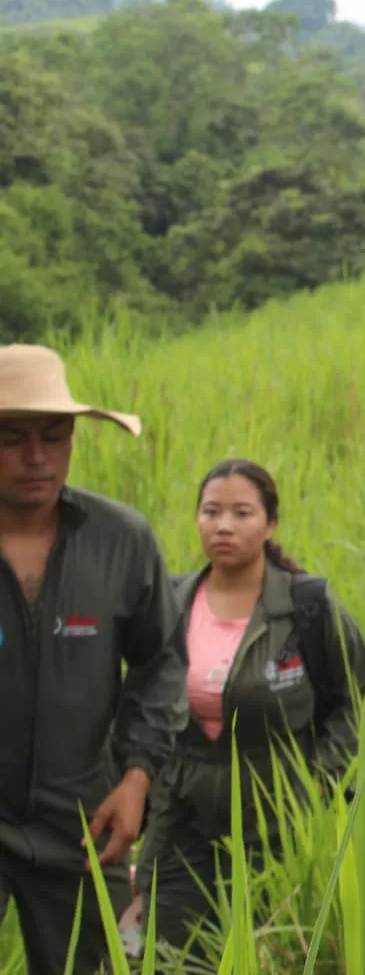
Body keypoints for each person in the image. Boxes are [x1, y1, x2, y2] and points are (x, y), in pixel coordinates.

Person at [131, 459, 365, 952]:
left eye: (242, 513)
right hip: (181, 811)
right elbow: (137, 702)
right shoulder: (170, 602)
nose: (223, 525)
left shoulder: (307, 607)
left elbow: (357, 702)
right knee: (167, 952)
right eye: (211, 511)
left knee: (266, 952)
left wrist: (316, 787)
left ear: (270, 524)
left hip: (278, 819)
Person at [0, 344, 188, 975]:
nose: (37, 457)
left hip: (83, 823)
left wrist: (137, 777)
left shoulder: (120, 539)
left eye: (55, 437)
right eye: (12, 439)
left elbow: (161, 662)